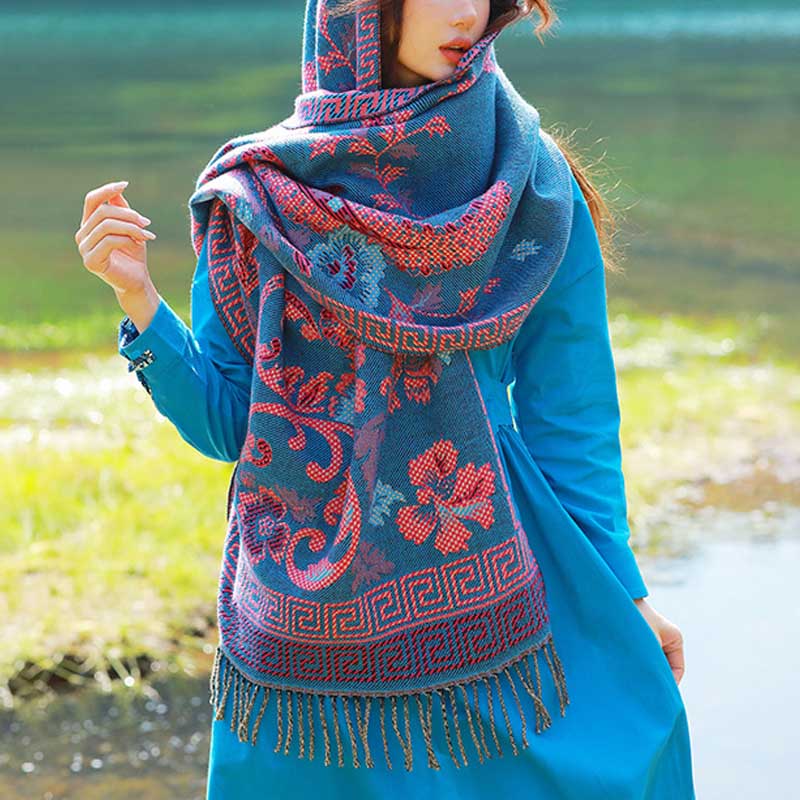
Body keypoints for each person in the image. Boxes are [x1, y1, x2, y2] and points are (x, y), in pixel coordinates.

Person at [74, 1, 695, 798]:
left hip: (505, 586)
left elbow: (573, 421)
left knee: (626, 745)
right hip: (308, 625)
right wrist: (139, 302)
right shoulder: (260, 195)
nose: (467, 12)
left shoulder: (531, 182)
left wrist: (625, 595)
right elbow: (233, 427)